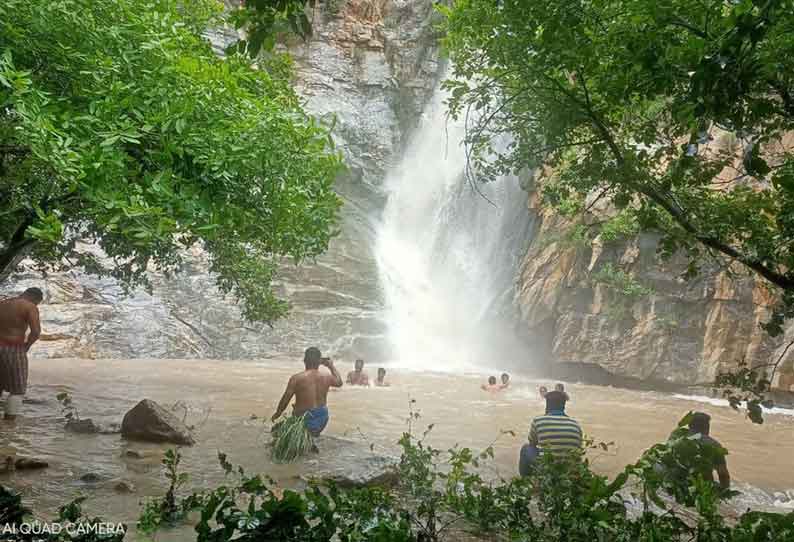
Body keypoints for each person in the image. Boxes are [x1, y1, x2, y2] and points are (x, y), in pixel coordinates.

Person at [271, 347, 343, 436]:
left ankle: (307, 435)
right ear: (319, 362)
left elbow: (285, 399)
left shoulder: (296, 378)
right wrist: (331, 366)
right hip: (322, 419)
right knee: (309, 430)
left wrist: (278, 413)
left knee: (275, 431)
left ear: (305, 360)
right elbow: (339, 382)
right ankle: (311, 435)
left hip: (304, 420)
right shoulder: (326, 377)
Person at [0, 287, 43, 421]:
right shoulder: (30, 307)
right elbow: (35, 332)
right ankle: (9, 427)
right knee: (17, 390)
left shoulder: (3, 303)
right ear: (35, 298)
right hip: (13, 348)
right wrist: (27, 346)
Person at [519, 390, 582, 476]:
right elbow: (578, 449)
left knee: (526, 448)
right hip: (569, 471)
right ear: (563, 406)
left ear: (547, 405)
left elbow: (532, 443)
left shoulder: (539, 421)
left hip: (547, 469)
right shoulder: (575, 424)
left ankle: (526, 481)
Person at [680, 412, 731, 490]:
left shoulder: (677, 440)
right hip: (703, 489)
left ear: (689, 425)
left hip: (679, 486)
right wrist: (724, 492)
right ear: (707, 427)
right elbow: (723, 474)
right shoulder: (714, 445)